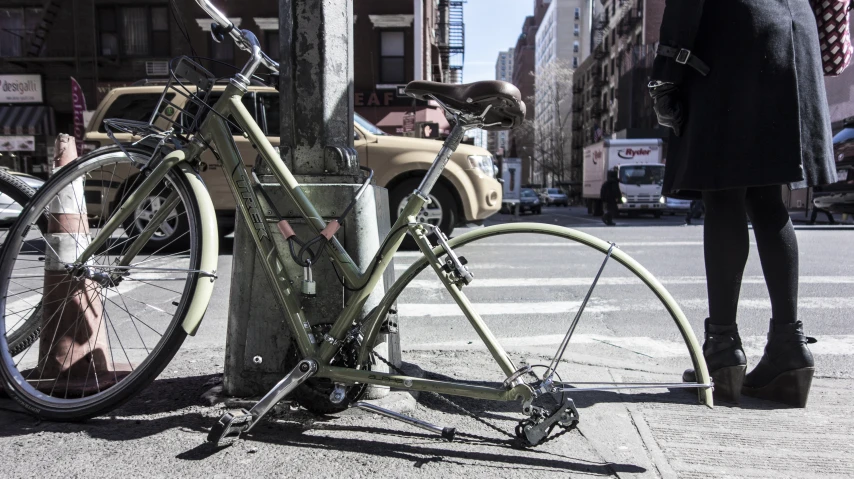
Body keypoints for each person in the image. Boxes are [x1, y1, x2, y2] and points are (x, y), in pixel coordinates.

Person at [649, 0, 837, 407]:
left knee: (722, 194)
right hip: (793, 28)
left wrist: (664, 76)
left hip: (733, 31)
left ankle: (722, 349)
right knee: (768, 196)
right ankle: (788, 348)